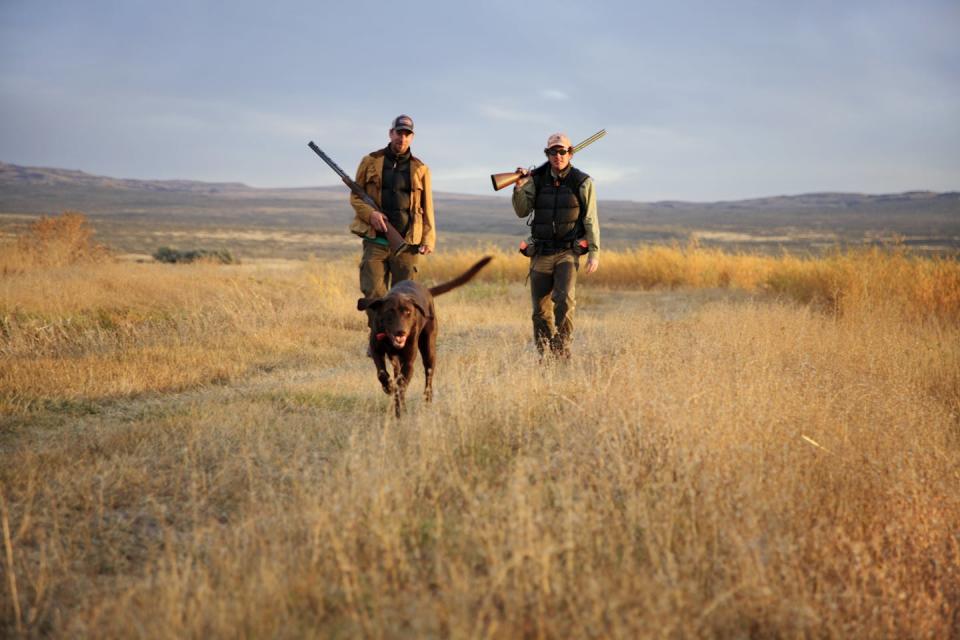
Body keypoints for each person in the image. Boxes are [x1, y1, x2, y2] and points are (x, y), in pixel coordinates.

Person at [512, 132, 600, 359]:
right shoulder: (537, 179)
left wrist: (594, 252)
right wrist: (519, 186)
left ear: (570, 153)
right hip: (540, 251)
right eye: (553, 151)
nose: (558, 156)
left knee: (564, 300)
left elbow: (590, 219)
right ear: (547, 154)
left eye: (562, 151)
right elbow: (522, 211)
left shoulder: (582, 181)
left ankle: (561, 352)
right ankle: (545, 355)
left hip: (568, 252)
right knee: (540, 312)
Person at [349, 114, 435, 330]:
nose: (402, 138)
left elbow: (428, 207)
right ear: (391, 133)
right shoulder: (370, 161)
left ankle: (400, 338)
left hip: (407, 244)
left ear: (412, 137)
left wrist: (428, 238)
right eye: (399, 133)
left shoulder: (421, 168)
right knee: (373, 294)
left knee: (405, 298)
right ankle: (378, 337)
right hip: (375, 241)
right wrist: (371, 215)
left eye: (407, 134)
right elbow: (356, 197)